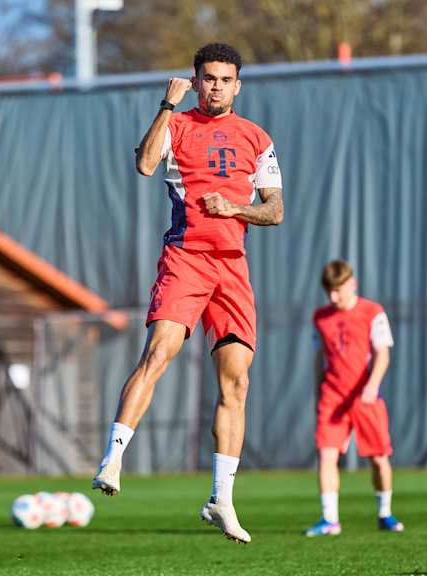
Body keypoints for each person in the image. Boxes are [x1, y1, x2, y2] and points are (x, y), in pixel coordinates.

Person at [91, 42, 284, 544]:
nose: (216, 86)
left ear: (238, 85)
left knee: (236, 382)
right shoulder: (176, 125)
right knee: (159, 352)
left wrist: (235, 209)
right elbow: (145, 165)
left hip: (232, 269)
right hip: (186, 260)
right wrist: (166, 105)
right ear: (196, 81)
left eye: (225, 79)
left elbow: (275, 210)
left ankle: (222, 499)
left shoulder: (256, 137)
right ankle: (113, 459)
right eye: (208, 78)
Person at [305, 259, 404, 536]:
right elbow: (319, 358)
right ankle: (330, 519)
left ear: (352, 284)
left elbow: (382, 354)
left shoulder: (373, 312)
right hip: (332, 397)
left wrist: (372, 385)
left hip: (364, 396)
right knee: (326, 455)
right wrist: (318, 394)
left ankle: (385, 513)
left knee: (379, 459)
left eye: (337, 290)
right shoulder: (320, 317)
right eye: (329, 291)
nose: (333, 297)